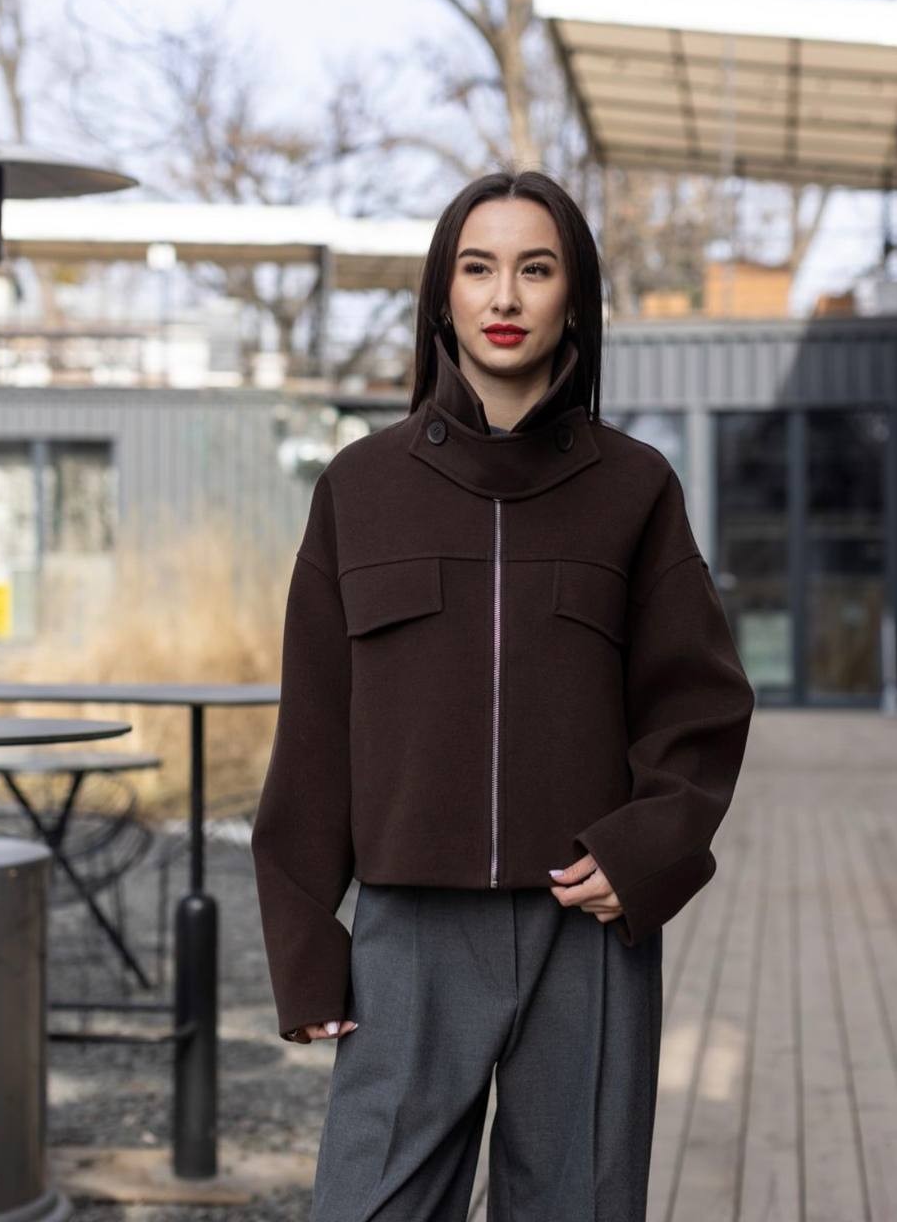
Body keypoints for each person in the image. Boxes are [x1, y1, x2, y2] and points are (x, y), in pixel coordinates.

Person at [250, 166, 756, 1221]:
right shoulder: (360, 488)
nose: (505, 296)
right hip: (408, 938)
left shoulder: (635, 488)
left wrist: (647, 849)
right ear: (443, 294)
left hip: (584, 931)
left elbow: (699, 703)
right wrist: (304, 944)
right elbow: (316, 734)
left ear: (574, 296)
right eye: (478, 268)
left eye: (536, 268)